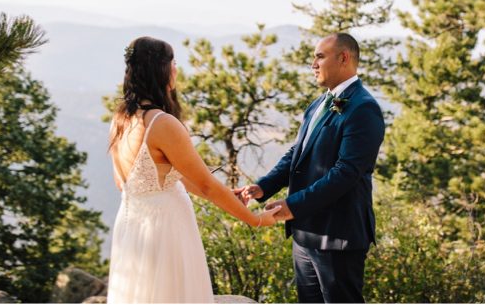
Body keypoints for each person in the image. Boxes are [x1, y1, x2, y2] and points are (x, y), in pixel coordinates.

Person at [106, 36, 277, 303]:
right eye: (174, 62)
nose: (176, 69)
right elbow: (208, 185)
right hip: (166, 231)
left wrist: (225, 194)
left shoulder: (120, 118)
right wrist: (254, 219)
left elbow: (152, 179)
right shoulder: (162, 123)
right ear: (162, 69)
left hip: (133, 227)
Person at [237, 33, 386, 303]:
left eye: (319, 56)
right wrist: (264, 187)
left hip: (337, 236)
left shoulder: (364, 108)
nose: (313, 64)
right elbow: (298, 153)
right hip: (305, 234)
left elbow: (346, 173)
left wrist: (293, 204)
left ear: (343, 58)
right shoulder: (318, 104)